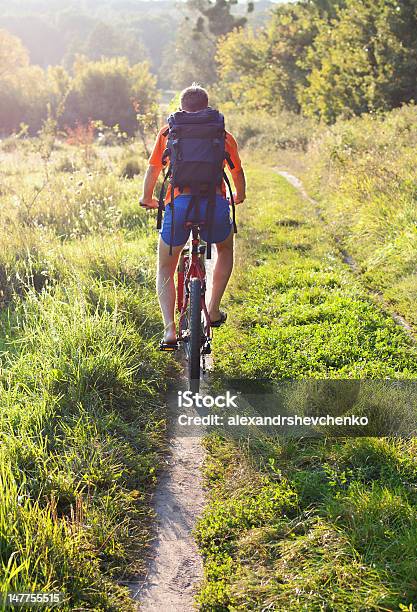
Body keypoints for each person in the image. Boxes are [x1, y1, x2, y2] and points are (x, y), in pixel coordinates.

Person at [139, 84, 246, 346]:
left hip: (179, 205)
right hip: (214, 205)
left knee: (166, 265)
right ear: (207, 106)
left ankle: (169, 331)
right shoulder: (222, 134)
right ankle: (213, 309)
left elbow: (154, 170)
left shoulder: (169, 132)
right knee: (225, 249)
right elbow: (237, 173)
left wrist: (147, 198)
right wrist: (239, 196)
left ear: (181, 107)